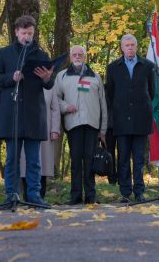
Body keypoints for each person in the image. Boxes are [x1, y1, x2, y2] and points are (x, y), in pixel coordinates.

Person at [0, 15, 54, 207]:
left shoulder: (41, 55)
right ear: (16, 32)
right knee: (12, 159)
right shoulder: (4, 54)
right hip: (12, 112)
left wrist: (46, 78)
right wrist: (12, 77)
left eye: (31, 33)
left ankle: (34, 195)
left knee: (34, 160)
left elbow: (50, 84)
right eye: (24, 33)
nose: (27, 36)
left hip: (34, 113)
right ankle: (12, 194)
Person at [55, 45, 107, 205]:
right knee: (76, 161)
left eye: (80, 55)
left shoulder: (95, 77)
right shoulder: (62, 76)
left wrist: (103, 129)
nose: (77, 57)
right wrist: (65, 107)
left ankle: (91, 196)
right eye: (74, 55)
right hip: (73, 124)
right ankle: (75, 195)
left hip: (92, 125)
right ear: (70, 57)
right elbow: (55, 99)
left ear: (85, 57)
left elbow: (103, 104)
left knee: (90, 161)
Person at [106, 34, 155, 203]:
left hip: (141, 119)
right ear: (121, 47)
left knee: (139, 159)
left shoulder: (148, 66)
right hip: (121, 119)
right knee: (124, 158)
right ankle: (125, 193)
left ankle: (139, 192)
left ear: (136, 46)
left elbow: (152, 92)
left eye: (133, 44)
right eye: (127, 45)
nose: (130, 48)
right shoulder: (112, 68)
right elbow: (110, 94)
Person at [20, 87, 61, 201]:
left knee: (43, 163)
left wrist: (55, 129)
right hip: (25, 129)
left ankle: (40, 196)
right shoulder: (24, 83)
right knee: (25, 164)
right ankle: (27, 197)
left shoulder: (50, 86)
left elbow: (55, 109)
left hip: (45, 129)